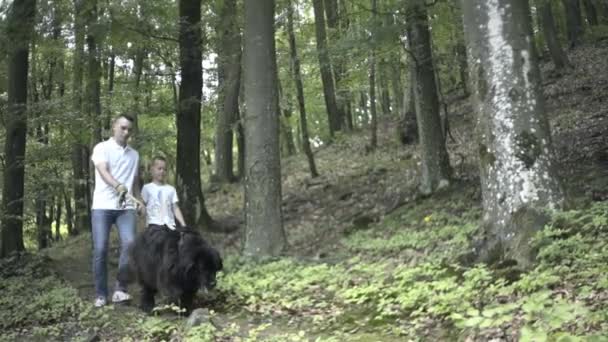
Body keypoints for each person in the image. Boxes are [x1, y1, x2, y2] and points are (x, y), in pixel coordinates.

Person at [90, 114, 144, 307]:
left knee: (130, 244)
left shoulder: (134, 154)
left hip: (126, 208)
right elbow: (103, 171)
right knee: (100, 249)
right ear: (114, 127)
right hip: (102, 206)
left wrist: (139, 200)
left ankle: (120, 290)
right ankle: (101, 294)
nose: (126, 132)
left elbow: (136, 180)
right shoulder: (101, 148)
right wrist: (117, 186)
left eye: (129, 129)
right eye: (123, 128)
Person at [141, 156, 186, 230]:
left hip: (169, 226)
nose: (162, 171)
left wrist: (183, 224)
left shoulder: (171, 189)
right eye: (159, 168)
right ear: (152, 170)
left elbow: (175, 208)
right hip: (153, 225)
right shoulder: (147, 188)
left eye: (164, 169)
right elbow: (142, 206)